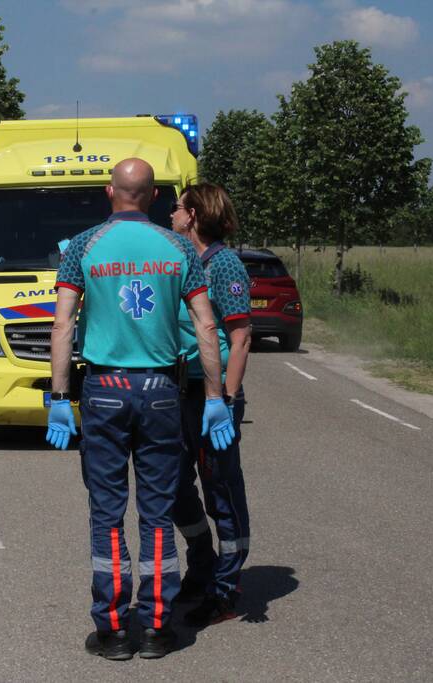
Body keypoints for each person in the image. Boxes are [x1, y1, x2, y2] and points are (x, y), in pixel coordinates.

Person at [47, 159, 236, 661]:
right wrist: (215, 398)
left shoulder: (82, 246)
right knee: (156, 513)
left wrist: (59, 398)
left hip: (103, 388)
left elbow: (63, 326)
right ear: (153, 196)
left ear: (110, 192)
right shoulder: (177, 247)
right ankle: (156, 627)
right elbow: (204, 326)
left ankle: (111, 630)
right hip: (160, 392)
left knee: (107, 513)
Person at [170, 183, 253, 626]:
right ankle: (202, 560)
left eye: (178, 208)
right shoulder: (186, 261)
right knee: (175, 483)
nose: (171, 214)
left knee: (221, 490)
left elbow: (240, 338)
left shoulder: (223, 264)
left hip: (214, 396)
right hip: (182, 391)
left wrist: (227, 400)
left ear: (196, 215)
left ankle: (225, 589)